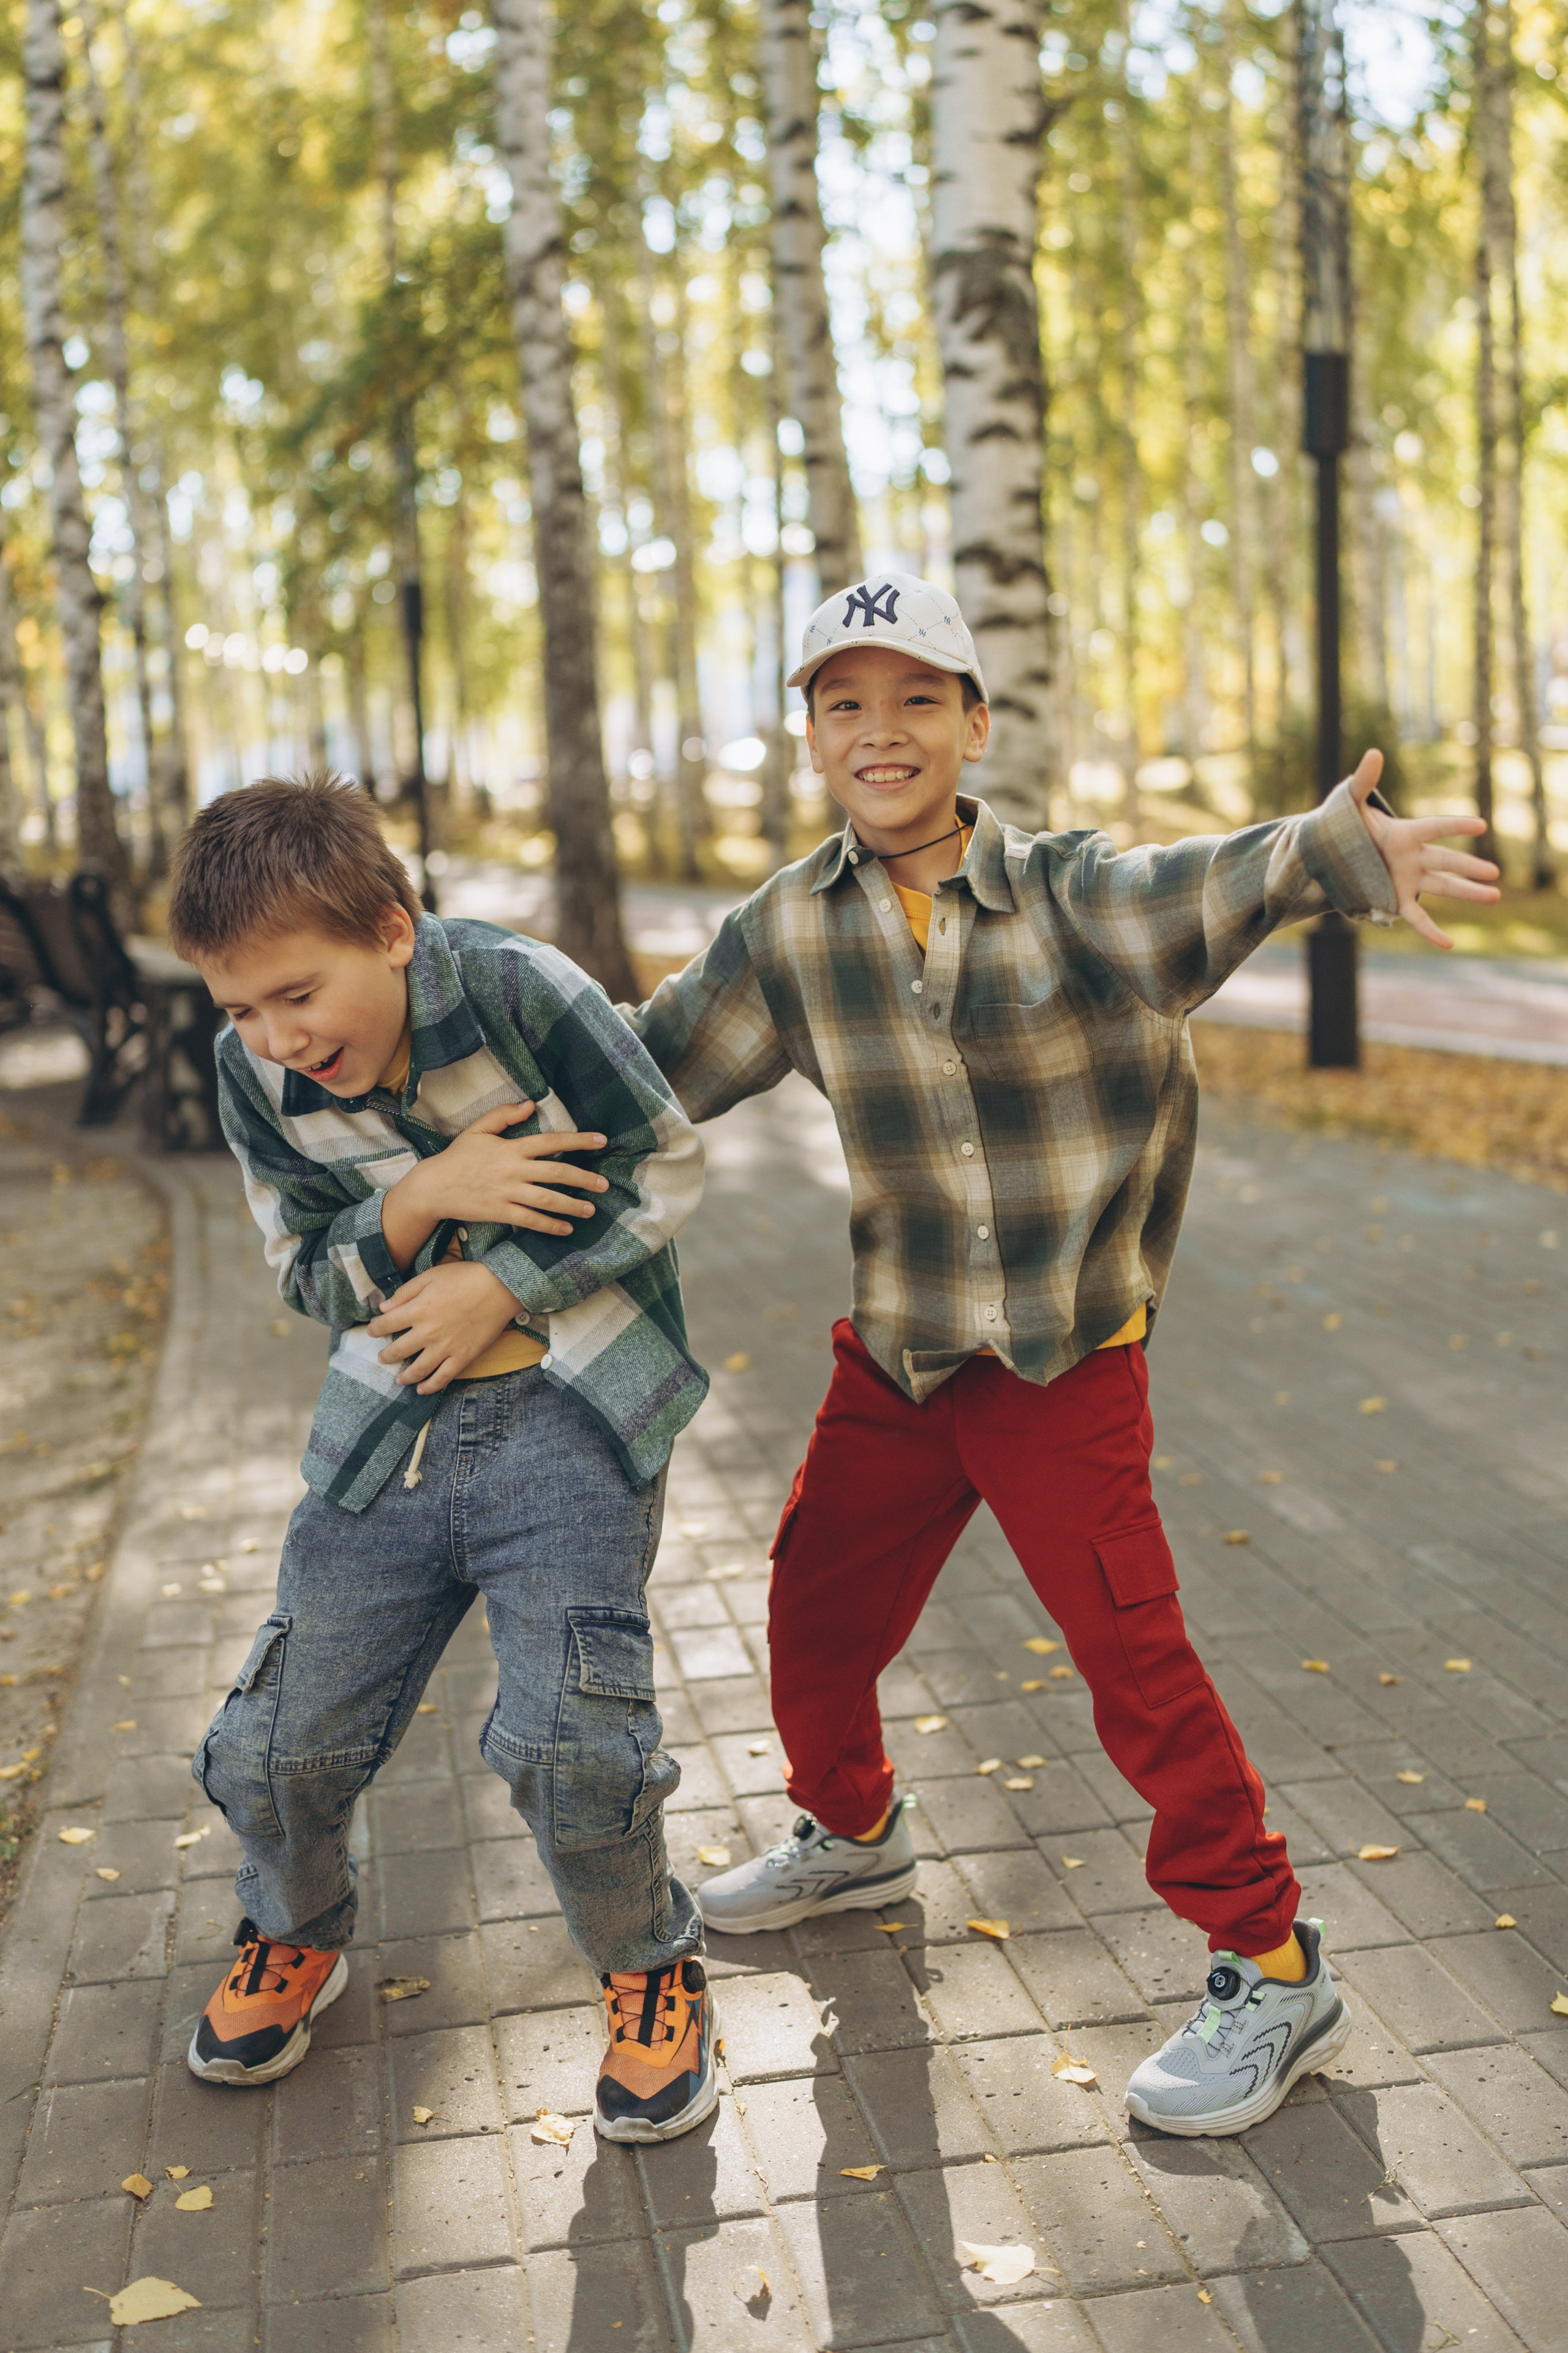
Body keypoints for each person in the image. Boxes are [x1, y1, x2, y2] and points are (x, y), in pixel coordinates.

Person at [627, 570, 1499, 2137]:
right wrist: (453, 1093)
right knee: (811, 1614)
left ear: (972, 723)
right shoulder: (788, 930)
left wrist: (1332, 851)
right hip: (897, 1361)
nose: (878, 732)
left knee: (1130, 1665)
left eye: (913, 701)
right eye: (843, 703)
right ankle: (852, 1831)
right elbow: (643, 1074)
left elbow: (1201, 885)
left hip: (1060, 1363)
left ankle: (1272, 1963)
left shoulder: (1067, 896)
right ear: (808, 735)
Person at [165, 776, 718, 2144]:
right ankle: (295, 1928)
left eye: (299, 993)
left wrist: (502, 1286)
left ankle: (648, 1962)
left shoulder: (522, 991)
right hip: (388, 1426)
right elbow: (307, 1273)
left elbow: (665, 1169)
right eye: (240, 1008)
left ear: (393, 930)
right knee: (272, 1748)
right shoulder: (255, 1077)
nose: (279, 1038)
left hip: (569, 1418)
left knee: (569, 1747)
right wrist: (419, 1198)